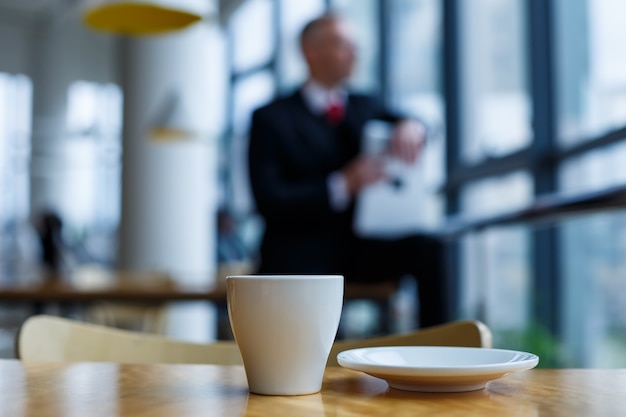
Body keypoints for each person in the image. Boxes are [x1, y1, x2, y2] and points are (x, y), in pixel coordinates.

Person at [247, 14, 448, 328]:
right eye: (343, 45)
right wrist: (342, 185)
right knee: (301, 278)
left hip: (360, 249)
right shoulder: (271, 118)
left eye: (354, 46)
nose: (354, 54)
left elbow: (416, 121)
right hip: (301, 250)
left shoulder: (365, 105)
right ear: (310, 52)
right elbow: (269, 199)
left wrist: (413, 126)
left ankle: (436, 355)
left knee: (429, 248)